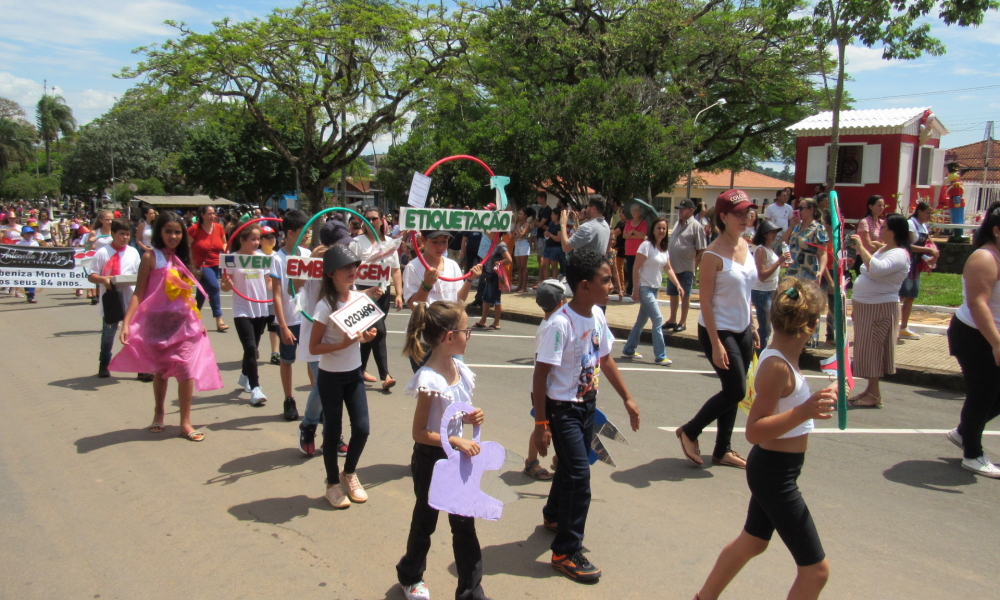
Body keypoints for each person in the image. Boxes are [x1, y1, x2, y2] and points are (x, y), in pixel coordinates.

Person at [693, 278, 835, 600]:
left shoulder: (781, 359)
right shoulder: (776, 367)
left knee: (753, 542)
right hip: (775, 475)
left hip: (776, 470)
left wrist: (820, 398)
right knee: (816, 570)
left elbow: (788, 404)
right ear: (811, 326)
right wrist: (805, 411)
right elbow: (755, 430)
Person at [532, 250, 641, 583]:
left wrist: (627, 398)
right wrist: (541, 424)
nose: (612, 285)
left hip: (586, 405)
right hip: (562, 408)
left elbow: (605, 359)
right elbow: (540, 376)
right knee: (580, 477)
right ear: (584, 286)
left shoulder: (596, 315)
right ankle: (566, 550)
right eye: (605, 280)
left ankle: (554, 516)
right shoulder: (559, 325)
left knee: (570, 468)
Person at [396, 300, 489, 600]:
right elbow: (420, 432)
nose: (469, 335)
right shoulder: (430, 379)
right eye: (467, 330)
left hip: (456, 459)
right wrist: (455, 441)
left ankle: (471, 591)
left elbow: (455, 412)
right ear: (450, 337)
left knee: (464, 526)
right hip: (431, 461)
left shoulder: (458, 368)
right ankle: (410, 575)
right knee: (425, 520)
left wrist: (471, 415)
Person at [111, 212, 224, 441]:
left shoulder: (183, 260)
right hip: (156, 326)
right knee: (160, 371)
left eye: (178, 232)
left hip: (183, 326)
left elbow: (188, 297)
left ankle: (185, 422)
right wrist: (126, 323)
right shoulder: (150, 258)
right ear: (159, 233)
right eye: (169, 231)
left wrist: (198, 322)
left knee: (186, 370)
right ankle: (159, 412)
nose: (173, 236)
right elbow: (139, 293)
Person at [677, 190, 760, 470]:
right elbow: (706, 302)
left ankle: (722, 449)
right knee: (736, 389)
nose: (746, 218)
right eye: (739, 213)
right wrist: (715, 343)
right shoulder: (712, 254)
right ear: (723, 217)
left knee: (733, 390)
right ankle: (690, 430)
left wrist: (754, 322)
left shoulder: (746, 247)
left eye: (748, 212)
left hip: (743, 327)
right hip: (718, 329)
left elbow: (747, 291)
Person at [309, 245, 378, 508]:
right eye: (345, 267)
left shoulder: (359, 299)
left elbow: (358, 335)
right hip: (330, 376)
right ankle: (332, 484)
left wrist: (364, 336)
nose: (352, 271)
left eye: (354, 266)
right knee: (333, 432)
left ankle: (348, 473)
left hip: (353, 375)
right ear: (330, 274)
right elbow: (314, 348)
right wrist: (344, 343)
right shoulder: (324, 306)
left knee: (362, 428)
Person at [946, 203, 1000, 478]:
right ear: (997, 231)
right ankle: (972, 454)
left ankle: (965, 432)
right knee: (984, 394)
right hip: (975, 335)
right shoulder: (985, 258)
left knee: (995, 394)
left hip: (990, 335)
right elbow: (978, 304)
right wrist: (996, 343)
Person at [299, 219, 354, 457]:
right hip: (316, 331)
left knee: (338, 389)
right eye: (338, 245)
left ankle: (332, 435)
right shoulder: (312, 261)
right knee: (322, 386)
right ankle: (309, 426)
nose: (343, 250)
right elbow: (296, 283)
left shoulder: (346, 265)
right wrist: (310, 260)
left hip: (341, 332)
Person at [847, 213, 911, 408]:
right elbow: (869, 268)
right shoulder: (884, 249)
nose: (880, 230)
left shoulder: (899, 253)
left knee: (873, 348)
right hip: (867, 306)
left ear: (893, 232)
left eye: (884, 228)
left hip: (880, 307)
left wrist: (861, 248)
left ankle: (874, 393)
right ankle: (870, 389)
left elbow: (876, 269)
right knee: (865, 348)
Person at [402, 230, 483, 371]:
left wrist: (469, 280)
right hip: (425, 337)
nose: (440, 247)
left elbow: (458, 301)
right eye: (434, 242)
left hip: (450, 336)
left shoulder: (452, 265)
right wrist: (426, 284)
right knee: (428, 384)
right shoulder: (413, 267)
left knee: (457, 378)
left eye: (444, 241)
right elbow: (414, 305)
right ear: (423, 240)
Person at [350, 207, 403, 391]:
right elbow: (350, 269)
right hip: (363, 293)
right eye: (367, 219)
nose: (370, 222)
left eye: (374, 219)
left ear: (382, 220)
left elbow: (395, 270)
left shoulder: (390, 243)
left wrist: (399, 293)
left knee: (371, 333)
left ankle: (359, 370)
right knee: (378, 330)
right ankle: (385, 375)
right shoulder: (357, 242)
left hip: (383, 294)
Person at [621, 217, 684, 365]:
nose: (661, 231)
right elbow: (635, 268)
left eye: (664, 228)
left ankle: (629, 349)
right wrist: (635, 289)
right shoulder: (646, 246)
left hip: (654, 289)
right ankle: (660, 356)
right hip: (644, 288)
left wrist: (678, 285)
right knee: (658, 319)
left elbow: (668, 268)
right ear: (653, 230)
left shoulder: (663, 248)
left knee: (641, 321)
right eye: (658, 228)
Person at [220, 223, 270, 406]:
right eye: (253, 239)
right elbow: (225, 286)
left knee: (253, 348)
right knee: (250, 348)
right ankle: (256, 388)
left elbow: (269, 283)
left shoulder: (263, 258)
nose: (257, 242)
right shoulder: (232, 259)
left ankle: (244, 376)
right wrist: (226, 285)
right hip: (242, 309)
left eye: (259, 239)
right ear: (242, 240)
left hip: (261, 309)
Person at [88, 218, 144, 379]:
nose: (125, 238)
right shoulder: (103, 252)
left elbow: (140, 273)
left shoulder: (133, 252)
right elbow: (92, 275)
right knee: (109, 332)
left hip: (130, 297)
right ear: (113, 234)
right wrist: (104, 280)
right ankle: (104, 362)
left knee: (135, 334)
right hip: (111, 297)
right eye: (121, 234)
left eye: (127, 234)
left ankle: (141, 367)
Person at [270, 209, 311, 421]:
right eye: (304, 231)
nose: (307, 235)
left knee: (313, 360)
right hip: (288, 319)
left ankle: (317, 401)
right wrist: (283, 326)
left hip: (308, 318)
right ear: (290, 233)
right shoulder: (278, 259)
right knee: (287, 360)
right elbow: (277, 295)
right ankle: (289, 399)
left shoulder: (308, 255)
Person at [523, 280, 566, 480]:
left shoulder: (553, 323)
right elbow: (542, 367)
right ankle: (531, 461)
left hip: (554, 387)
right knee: (542, 426)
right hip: (544, 388)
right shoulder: (550, 328)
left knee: (557, 426)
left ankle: (561, 457)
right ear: (562, 302)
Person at [664, 199, 707, 333]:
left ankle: (683, 321)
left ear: (691, 210)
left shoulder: (696, 226)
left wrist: (694, 264)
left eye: (683, 209)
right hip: (673, 266)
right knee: (673, 294)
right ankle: (672, 319)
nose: (680, 211)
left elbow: (701, 249)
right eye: (679, 209)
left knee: (685, 295)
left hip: (687, 267)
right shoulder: (677, 223)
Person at [899, 202, 940, 340]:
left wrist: (933, 253)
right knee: (900, 295)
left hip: (917, 264)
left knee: (911, 295)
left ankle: (903, 326)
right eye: (928, 212)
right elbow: (908, 246)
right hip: (907, 263)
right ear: (920, 211)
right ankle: (891, 323)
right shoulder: (911, 224)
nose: (930, 216)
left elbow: (929, 241)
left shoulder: (923, 226)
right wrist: (928, 250)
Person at [188, 205, 229, 333]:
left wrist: (225, 250)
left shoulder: (219, 227)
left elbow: (224, 242)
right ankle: (219, 319)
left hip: (217, 264)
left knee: (202, 293)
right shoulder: (195, 229)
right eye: (210, 213)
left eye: (214, 213)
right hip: (201, 266)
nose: (213, 216)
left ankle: (190, 319)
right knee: (214, 287)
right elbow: (185, 245)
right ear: (202, 215)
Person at [751, 220, 791, 352]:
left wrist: (782, 264)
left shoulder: (769, 249)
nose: (775, 235)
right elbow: (762, 275)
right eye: (772, 232)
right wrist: (779, 262)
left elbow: (771, 267)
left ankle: (759, 351)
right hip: (762, 292)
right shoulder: (761, 250)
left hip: (771, 290)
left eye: (775, 232)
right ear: (764, 234)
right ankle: (759, 353)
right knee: (765, 327)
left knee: (769, 325)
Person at [781, 198, 828, 284]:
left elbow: (823, 254)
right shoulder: (796, 226)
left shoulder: (818, 228)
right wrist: (791, 226)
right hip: (792, 271)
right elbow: (783, 242)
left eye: (801, 208)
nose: (798, 211)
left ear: (811, 210)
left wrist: (820, 272)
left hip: (808, 272)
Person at [473, 231, 511, 330]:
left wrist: (499, 263)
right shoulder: (492, 244)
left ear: (496, 234)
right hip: (488, 274)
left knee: (496, 299)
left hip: (496, 276)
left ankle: (496, 322)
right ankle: (483, 320)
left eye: (491, 232)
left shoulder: (501, 245)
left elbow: (509, 259)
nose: (488, 233)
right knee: (486, 298)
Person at [622, 203, 647, 295]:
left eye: (636, 211)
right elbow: (624, 235)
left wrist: (633, 232)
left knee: (638, 270)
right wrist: (636, 235)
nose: (634, 212)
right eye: (633, 211)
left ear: (639, 212)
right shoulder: (628, 222)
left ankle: (638, 289)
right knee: (629, 270)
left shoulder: (643, 222)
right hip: (629, 250)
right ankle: (629, 289)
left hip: (638, 250)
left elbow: (642, 235)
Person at [513, 206, 535, 292]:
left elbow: (522, 234)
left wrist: (518, 228)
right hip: (517, 244)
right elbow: (514, 235)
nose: (519, 215)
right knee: (518, 266)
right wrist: (517, 234)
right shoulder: (519, 224)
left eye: (521, 214)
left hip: (524, 245)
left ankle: (524, 287)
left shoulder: (527, 225)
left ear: (525, 216)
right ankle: (519, 285)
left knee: (523, 267)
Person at [15, 226, 39, 303]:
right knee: (26, 280)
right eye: (27, 233)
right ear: (23, 234)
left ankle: (31, 296)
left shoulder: (35, 243)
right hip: (23, 264)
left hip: (33, 264)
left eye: (30, 233)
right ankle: (29, 295)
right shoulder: (19, 243)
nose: (29, 235)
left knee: (32, 280)